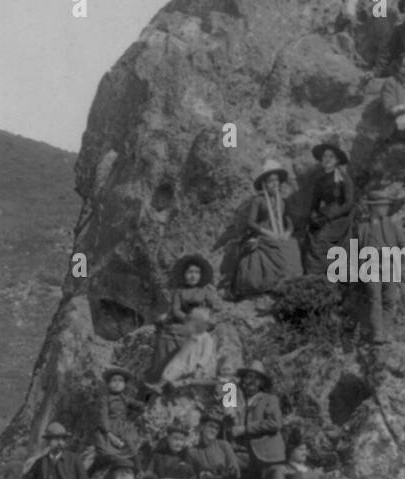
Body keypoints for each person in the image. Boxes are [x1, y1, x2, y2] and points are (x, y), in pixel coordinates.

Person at [231, 359, 285, 479]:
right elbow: (228, 415)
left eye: (254, 378)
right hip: (246, 460)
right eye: (246, 377)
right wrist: (229, 384)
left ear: (262, 382)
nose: (249, 381)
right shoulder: (236, 396)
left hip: (268, 458)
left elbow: (275, 423)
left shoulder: (269, 399)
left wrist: (245, 429)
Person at [232, 159, 304, 297]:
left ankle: (291, 280)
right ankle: (275, 283)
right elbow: (251, 222)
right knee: (277, 251)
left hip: (279, 234)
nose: (275, 184)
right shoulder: (258, 200)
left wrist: (288, 233)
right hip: (263, 234)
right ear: (265, 184)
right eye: (271, 181)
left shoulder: (281, 201)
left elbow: (288, 221)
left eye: (277, 180)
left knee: (293, 245)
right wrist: (266, 232)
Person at [148, 253, 220, 388]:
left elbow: (217, 306)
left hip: (200, 323)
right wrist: (187, 318)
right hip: (184, 321)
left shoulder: (204, 291)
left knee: (199, 338)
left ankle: (187, 371)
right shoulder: (179, 291)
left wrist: (207, 314)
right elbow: (175, 310)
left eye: (196, 272)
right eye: (190, 272)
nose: (193, 276)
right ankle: (161, 373)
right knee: (166, 336)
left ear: (201, 275)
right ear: (184, 274)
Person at [351, 193, 403, 345]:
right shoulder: (362, 226)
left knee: (390, 300)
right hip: (370, 265)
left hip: (390, 265)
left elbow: (403, 244)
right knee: (375, 299)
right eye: (383, 205)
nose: (386, 208)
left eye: (387, 205)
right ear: (373, 207)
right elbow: (355, 248)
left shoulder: (393, 224)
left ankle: (385, 331)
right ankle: (378, 333)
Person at [301, 138, 356, 275]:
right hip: (324, 215)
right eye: (325, 156)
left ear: (337, 160)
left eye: (331, 156)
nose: (327, 159)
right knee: (311, 235)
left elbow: (349, 203)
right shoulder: (320, 179)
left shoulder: (343, 178)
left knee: (321, 239)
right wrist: (313, 215)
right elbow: (315, 202)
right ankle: (314, 277)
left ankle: (325, 274)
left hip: (340, 218)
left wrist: (332, 215)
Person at [91, 367, 145, 472]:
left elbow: (140, 406)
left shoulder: (125, 398)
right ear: (108, 384)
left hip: (123, 429)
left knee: (132, 447)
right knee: (105, 456)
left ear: (124, 385)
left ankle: (139, 472)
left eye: (120, 381)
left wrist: (147, 398)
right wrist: (110, 435)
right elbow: (103, 417)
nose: (117, 383)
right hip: (108, 430)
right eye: (114, 380)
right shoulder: (104, 399)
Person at [156, 306, 217, 388]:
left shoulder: (207, 338)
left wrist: (199, 366)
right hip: (181, 358)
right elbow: (185, 343)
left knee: (175, 371)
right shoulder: (192, 334)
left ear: (206, 325)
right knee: (169, 368)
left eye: (199, 323)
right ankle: (160, 384)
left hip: (191, 362)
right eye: (195, 323)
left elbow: (207, 354)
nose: (196, 325)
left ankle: (161, 386)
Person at [186, 410, 241, 479]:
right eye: (211, 426)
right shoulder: (192, 451)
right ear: (202, 427)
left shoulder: (223, 445)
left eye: (217, 428)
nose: (213, 430)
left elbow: (235, 471)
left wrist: (218, 477)